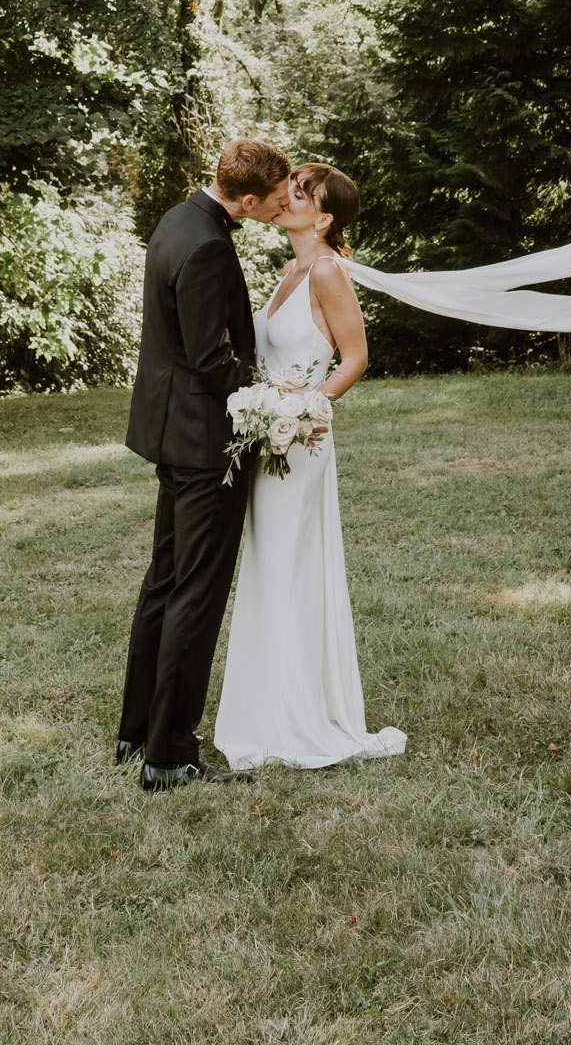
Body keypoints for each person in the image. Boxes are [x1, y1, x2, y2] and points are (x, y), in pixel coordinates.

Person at [214, 161, 407, 771]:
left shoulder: (325, 269)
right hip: (267, 436)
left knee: (291, 567)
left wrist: (307, 409)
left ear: (323, 218)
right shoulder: (291, 270)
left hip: (301, 441)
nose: (287, 197)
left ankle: (299, 719)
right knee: (270, 566)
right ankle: (266, 712)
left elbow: (355, 356)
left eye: (301, 193)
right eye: (289, 189)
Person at [116, 137, 291, 792]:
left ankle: (138, 733)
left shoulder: (176, 219)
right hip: (203, 444)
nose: (279, 209)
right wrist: (271, 401)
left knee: (165, 582)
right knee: (195, 592)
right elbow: (208, 357)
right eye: (273, 202)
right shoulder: (210, 246)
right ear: (245, 198)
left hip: (171, 432)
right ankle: (168, 756)